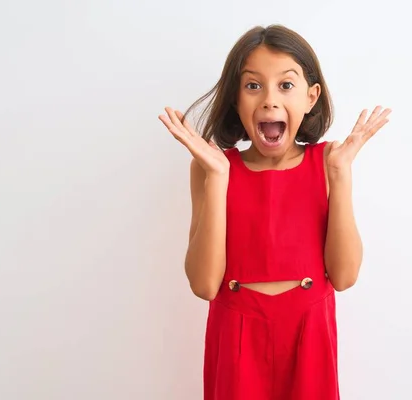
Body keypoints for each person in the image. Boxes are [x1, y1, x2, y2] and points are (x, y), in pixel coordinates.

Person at [159, 24, 391, 400]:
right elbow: (204, 285)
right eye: (253, 85)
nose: (269, 100)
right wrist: (219, 176)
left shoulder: (330, 162)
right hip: (235, 336)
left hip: (309, 336)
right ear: (236, 98)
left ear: (311, 97)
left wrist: (340, 175)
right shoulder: (209, 166)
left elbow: (345, 276)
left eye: (285, 85)